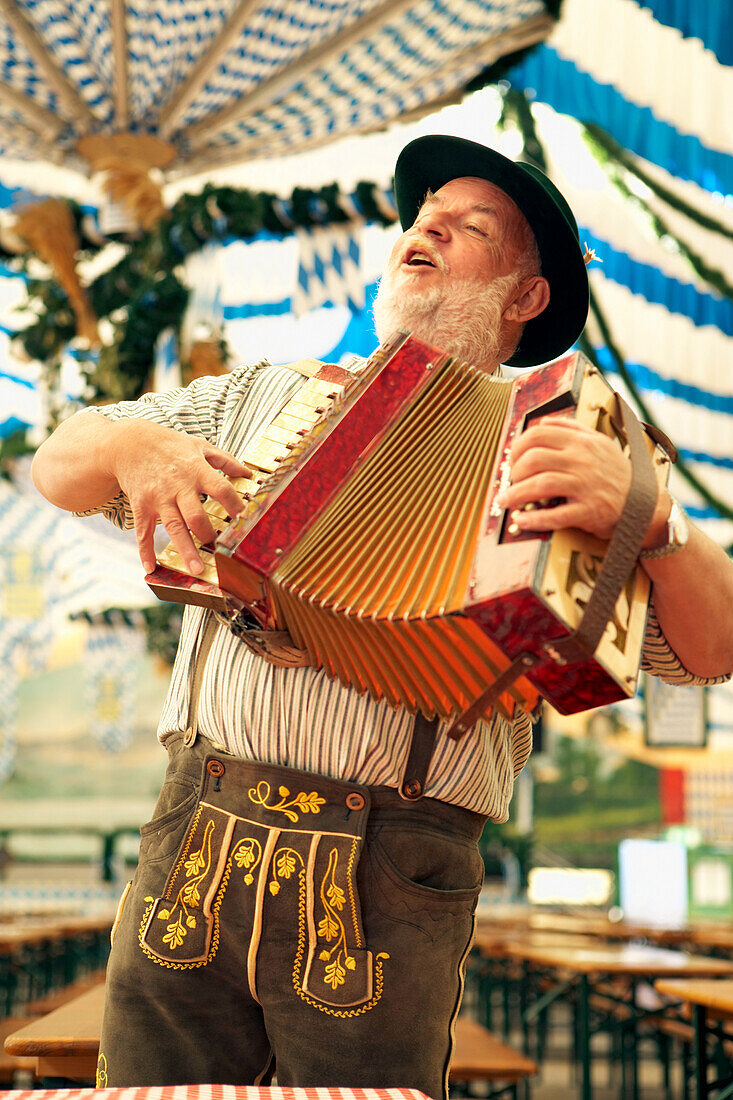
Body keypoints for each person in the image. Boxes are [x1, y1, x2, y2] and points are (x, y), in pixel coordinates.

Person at [31, 135, 733, 1096]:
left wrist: (654, 517)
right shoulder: (264, 394)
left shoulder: (578, 450)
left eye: (469, 225)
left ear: (525, 298)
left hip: (396, 863)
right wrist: (137, 448)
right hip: (196, 820)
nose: (427, 227)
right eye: (421, 216)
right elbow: (59, 463)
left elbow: (709, 652)